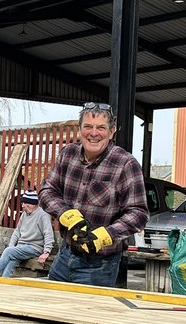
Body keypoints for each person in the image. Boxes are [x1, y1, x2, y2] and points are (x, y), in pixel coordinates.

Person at [40, 102, 148, 287]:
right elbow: (47, 190)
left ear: (112, 131)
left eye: (101, 128)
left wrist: (107, 234)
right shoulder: (68, 154)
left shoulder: (125, 164)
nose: (94, 133)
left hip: (100, 265)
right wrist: (66, 214)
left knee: (88, 314)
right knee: (51, 311)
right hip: (65, 256)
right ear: (80, 129)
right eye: (88, 126)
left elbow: (139, 213)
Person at [0, 190, 54, 278]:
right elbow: (17, 232)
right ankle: (4, 281)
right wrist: (11, 245)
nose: (22, 206)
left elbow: (48, 233)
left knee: (8, 252)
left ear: (32, 204)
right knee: (12, 259)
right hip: (21, 247)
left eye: (24, 203)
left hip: (34, 248)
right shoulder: (24, 214)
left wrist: (46, 252)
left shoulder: (43, 215)